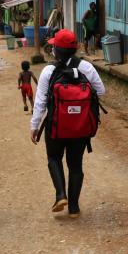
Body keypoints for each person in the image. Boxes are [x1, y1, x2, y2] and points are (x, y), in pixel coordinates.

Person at [30, 29, 105, 219]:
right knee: (76, 165)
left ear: (56, 49)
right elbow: (101, 91)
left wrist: (35, 125)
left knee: (54, 158)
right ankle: (74, 207)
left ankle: (60, 194)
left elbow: (40, 102)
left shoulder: (49, 70)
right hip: (80, 127)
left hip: (56, 125)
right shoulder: (86, 67)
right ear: (75, 48)